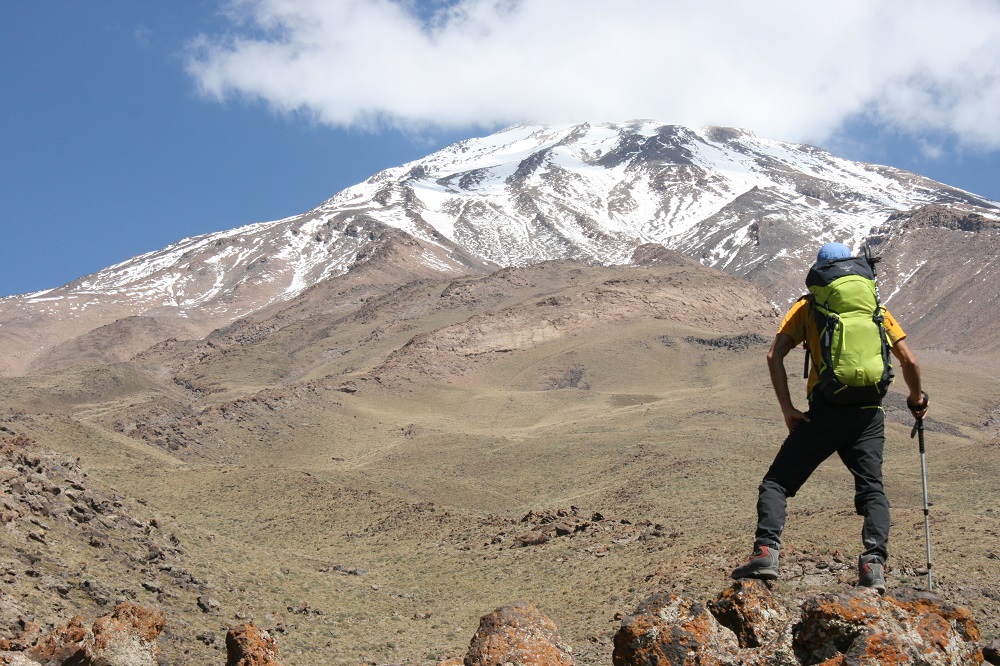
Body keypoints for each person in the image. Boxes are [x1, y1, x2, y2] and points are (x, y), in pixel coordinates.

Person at [731, 241, 929, 592]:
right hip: (868, 415)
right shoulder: (875, 307)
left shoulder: (808, 306)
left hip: (824, 413)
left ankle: (766, 552)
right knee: (872, 489)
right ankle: (873, 564)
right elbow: (909, 360)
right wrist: (916, 399)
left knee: (776, 483)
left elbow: (773, 356)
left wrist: (788, 410)